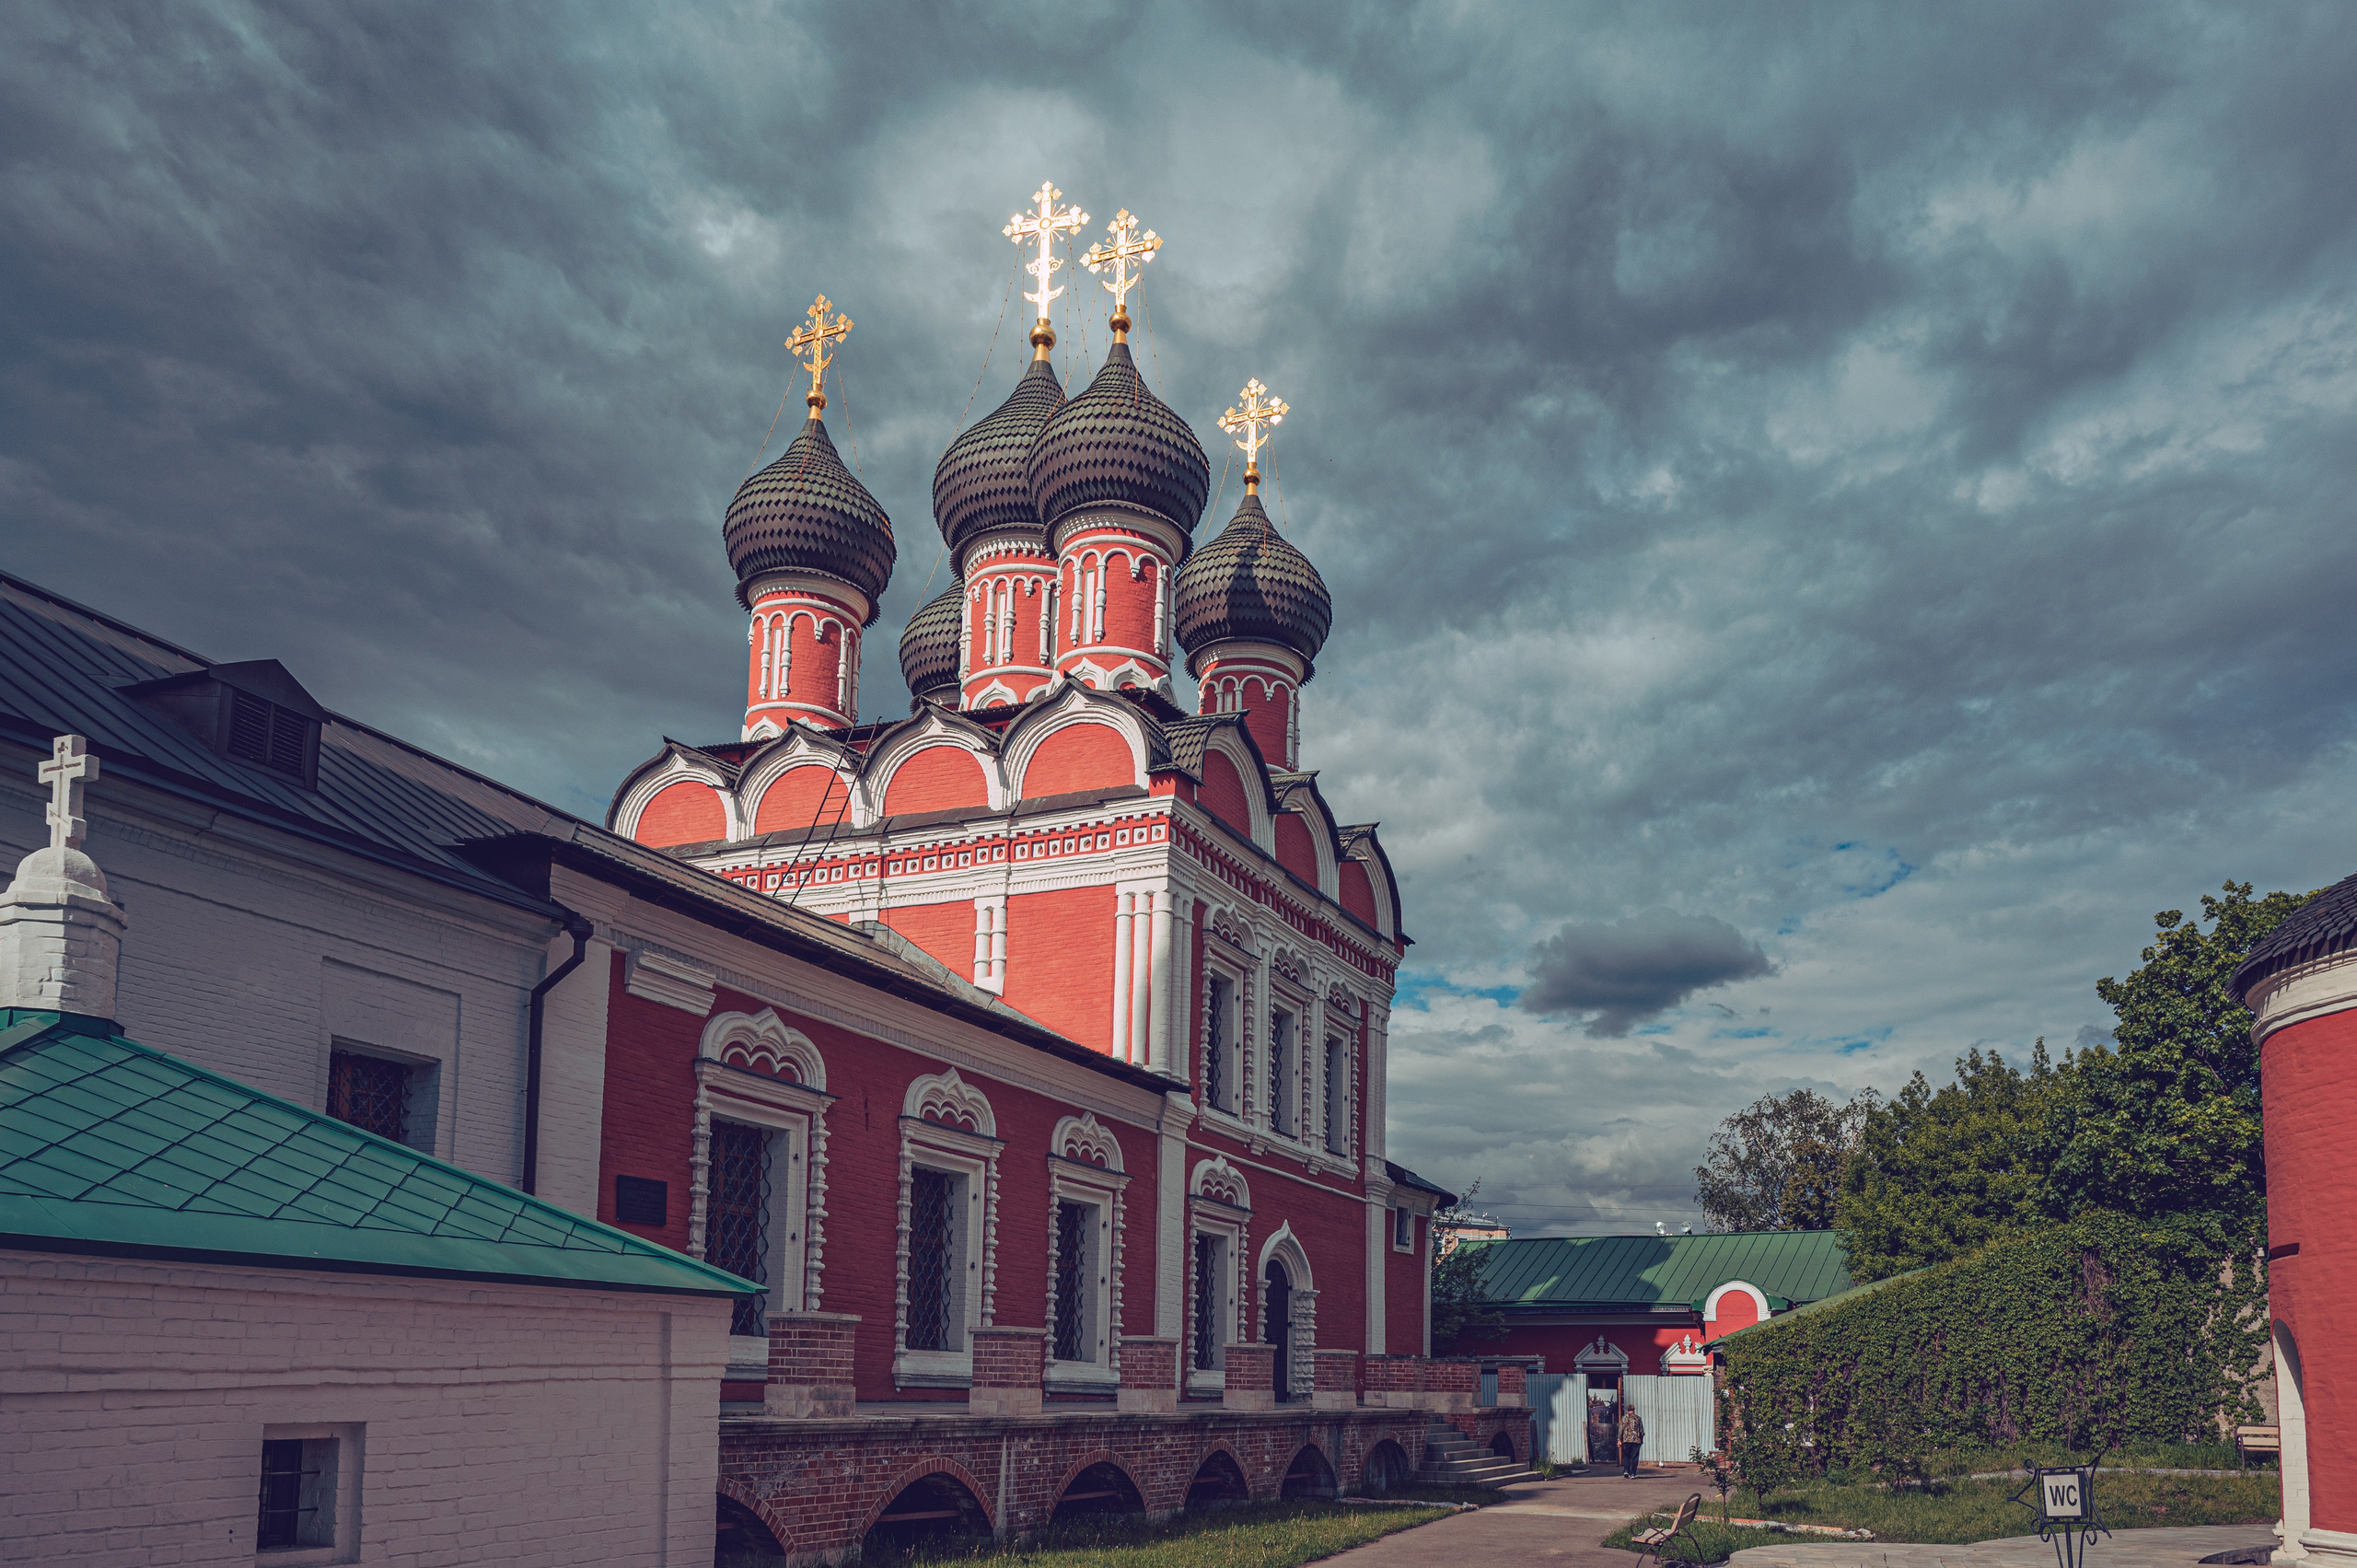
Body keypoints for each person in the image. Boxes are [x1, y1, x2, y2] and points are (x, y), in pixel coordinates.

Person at [1619, 1402, 1645, 1477]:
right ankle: (1633, 1473)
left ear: (1627, 1410)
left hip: (1626, 1440)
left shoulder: (1624, 1418)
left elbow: (1621, 1429)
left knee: (1626, 1456)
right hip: (1636, 1441)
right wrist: (1641, 1441)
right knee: (1634, 1457)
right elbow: (1642, 1432)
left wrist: (1619, 1439)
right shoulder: (1638, 1419)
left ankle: (1626, 1470)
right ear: (1634, 1410)